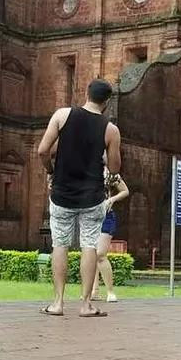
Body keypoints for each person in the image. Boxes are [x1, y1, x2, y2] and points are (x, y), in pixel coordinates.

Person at [37, 79, 122, 318]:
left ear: (86, 93)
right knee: (89, 246)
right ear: (106, 102)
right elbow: (115, 168)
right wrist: (105, 154)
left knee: (60, 245)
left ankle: (57, 303)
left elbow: (43, 150)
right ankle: (85, 305)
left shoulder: (63, 115)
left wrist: (51, 171)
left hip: (62, 194)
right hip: (92, 197)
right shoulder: (110, 129)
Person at [89, 158, 130, 303]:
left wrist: (112, 199)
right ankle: (93, 291)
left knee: (100, 254)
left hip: (106, 215)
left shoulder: (109, 173)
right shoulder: (83, 169)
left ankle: (110, 291)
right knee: (90, 253)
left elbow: (125, 191)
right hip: (88, 215)